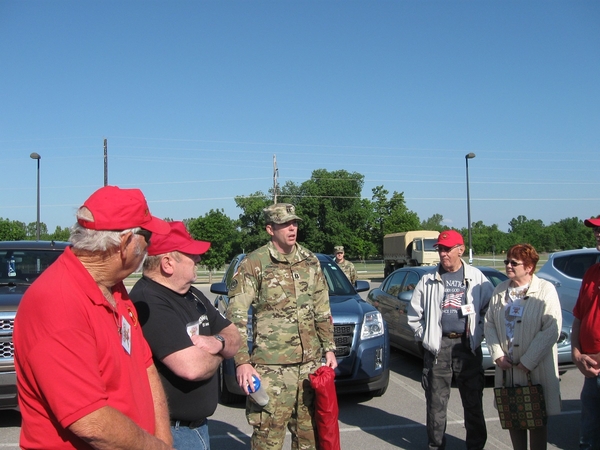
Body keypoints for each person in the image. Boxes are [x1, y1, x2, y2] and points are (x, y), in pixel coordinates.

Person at [13, 185, 174, 450]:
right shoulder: (57, 302)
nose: (150, 246)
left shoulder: (115, 287)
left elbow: (145, 365)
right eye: (147, 236)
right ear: (125, 243)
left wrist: (164, 440)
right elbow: (92, 422)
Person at [226, 203, 338, 449]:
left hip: (309, 367)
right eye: (285, 224)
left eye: (295, 223)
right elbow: (236, 317)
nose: (292, 228)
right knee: (268, 440)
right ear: (270, 229)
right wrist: (242, 361)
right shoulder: (254, 263)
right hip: (271, 369)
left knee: (310, 441)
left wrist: (329, 348)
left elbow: (322, 308)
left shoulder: (309, 260)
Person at [130, 221, 242, 450]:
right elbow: (192, 368)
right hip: (172, 432)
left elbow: (233, 334)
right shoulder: (149, 301)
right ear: (168, 263)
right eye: (192, 255)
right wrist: (222, 351)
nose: (199, 260)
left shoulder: (191, 294)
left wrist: (217, 342)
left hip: (195, 428)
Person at [407, 229, 493, 450]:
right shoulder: (427, 280)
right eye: (440, 250)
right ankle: (436, 446)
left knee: (473, 403)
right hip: (439, 349)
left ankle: (476, 446)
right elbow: (414, 316)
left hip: (468, 346)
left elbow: (489, 311)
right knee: (436, 405)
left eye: (448, 249)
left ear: (461, 250)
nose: (443, 254)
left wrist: (478, 333)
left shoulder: (477, 278)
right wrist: (426, 337)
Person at [485, 244, 562, 450]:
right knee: (513, 416)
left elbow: (552, 329)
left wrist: (528, 361)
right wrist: (497, 354)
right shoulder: (500, 289)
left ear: (529, 267)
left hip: (535, 368)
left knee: (536, 417)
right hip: (507, 368)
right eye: (506, 262)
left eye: (514, 263)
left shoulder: (545, 290)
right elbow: (489, 323)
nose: (508, 266)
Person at [571, 216, 600, 450]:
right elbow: (579, 317)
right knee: (589, 434)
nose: (597, 234)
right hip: (590, 368)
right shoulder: (591, 272)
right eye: (596, 231)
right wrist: (576, 353)